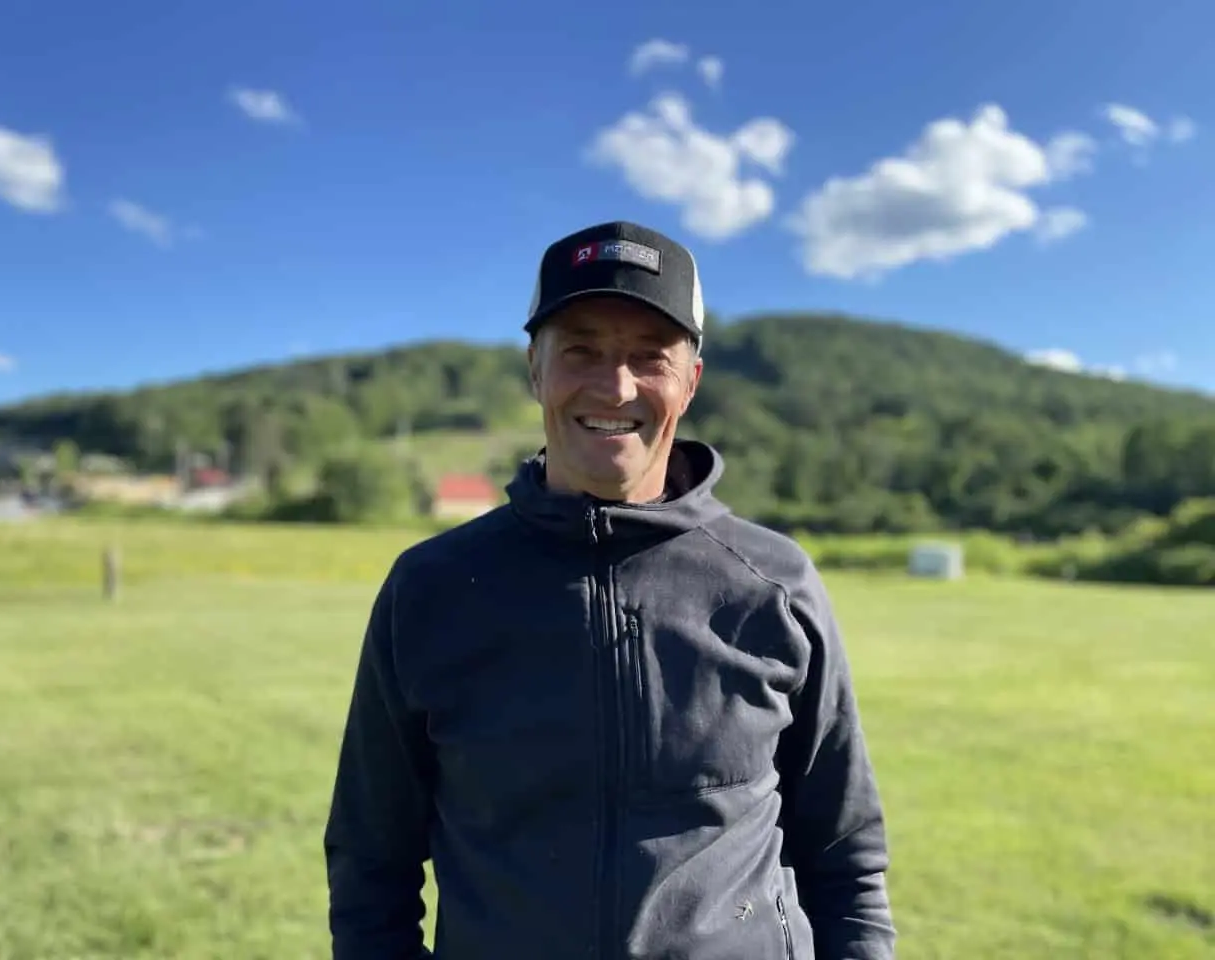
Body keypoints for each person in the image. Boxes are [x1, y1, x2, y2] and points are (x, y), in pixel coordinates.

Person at [323, 221, 897, 960]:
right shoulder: (430, 589)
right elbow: (372, 862)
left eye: (648, 357)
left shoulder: (774, 587)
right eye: (582, 351)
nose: (614, 386)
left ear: (689, 381)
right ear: (535, 369)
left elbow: (845, 857)